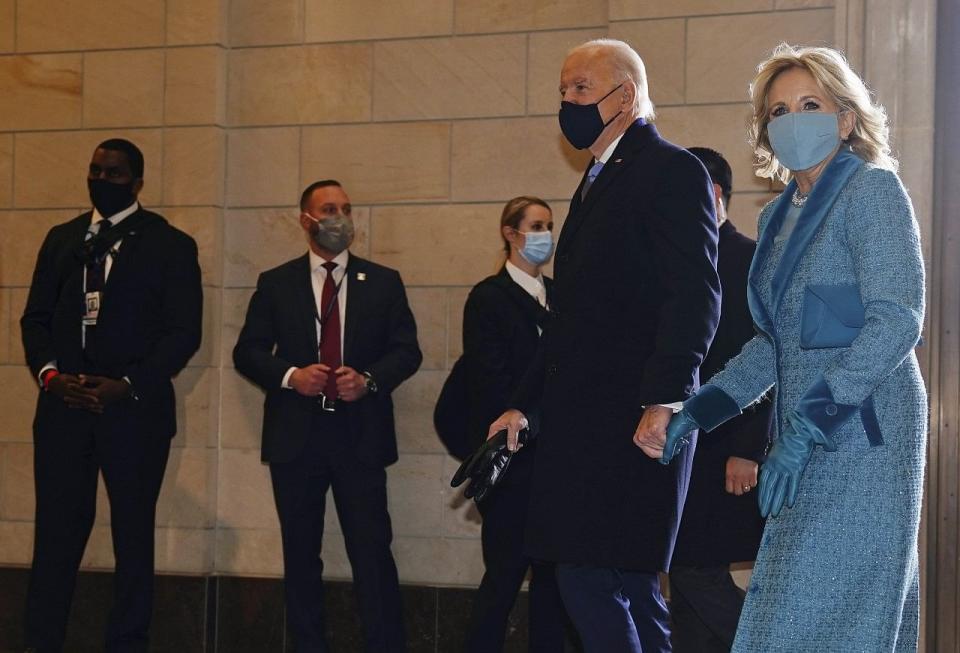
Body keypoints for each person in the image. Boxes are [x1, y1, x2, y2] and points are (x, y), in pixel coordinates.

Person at [655, 44, 926, 651]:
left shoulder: (872, 192)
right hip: (805, 441)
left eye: (809, 104)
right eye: (777, 111)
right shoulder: (781, 215)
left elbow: (896, 321)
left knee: (837, 611)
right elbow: (772, 346)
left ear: (846, 118)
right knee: (788, 613)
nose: (792, 120)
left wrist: (806, 429)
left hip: (866, 437)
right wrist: (699, 411)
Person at [488, 39, 722, 652]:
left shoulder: (671, 169)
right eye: (563, 91)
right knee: (618, 580)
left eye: (582, 89)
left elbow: (694, 294)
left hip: (632, 417)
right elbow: (573, 319)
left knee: (591, 573)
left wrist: (668, 397)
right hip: (585, 421)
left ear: (629, 94)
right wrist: (524, 403)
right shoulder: (597, 179)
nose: (568, 102)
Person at [20, 138, 203, 653]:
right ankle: (41, 640)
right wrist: (52, 377)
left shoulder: (170, 244)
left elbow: (183, 332)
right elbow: (35, 319)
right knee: (55, 536)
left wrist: (128, 384)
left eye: (114, 173)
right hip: (63, 410)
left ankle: (127, 642)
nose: (101, 179)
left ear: (137, 182)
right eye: (95, 170)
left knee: (132, 537)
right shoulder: (62, 240)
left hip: (134, 412)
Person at [233, 180, 422, 653]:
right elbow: (248, 352)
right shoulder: (276, 282)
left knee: (373, 555)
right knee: (301, 557)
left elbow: (407, 352)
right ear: (306, 220)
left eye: (346, 208)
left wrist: (370, 381)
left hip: (360, 438)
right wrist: (291, 375)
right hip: (296, 438)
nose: (340, 217)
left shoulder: (383, 280)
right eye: (329, 209)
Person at [667, 147, 772, 653]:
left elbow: (767, 356)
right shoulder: (683, 258)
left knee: (691, 567)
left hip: (727, 447)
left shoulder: (748, 258)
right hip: (686, 443)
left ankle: (766, 644)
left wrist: (749, 448)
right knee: (685, 580)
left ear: (713, 194)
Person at [460, 196, 571, 652]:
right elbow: (490, 380)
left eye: (549, 225)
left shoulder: (561, 296)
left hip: (555, 465)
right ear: (510, 233)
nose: (544, 234)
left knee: (552, 581)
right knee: (504, 575)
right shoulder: (489, 298)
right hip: (513, 461)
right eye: (535, 225)